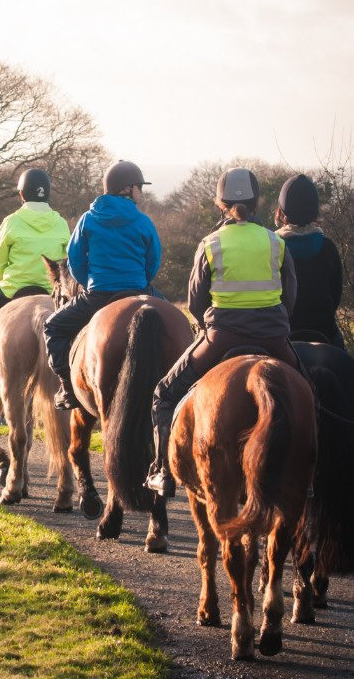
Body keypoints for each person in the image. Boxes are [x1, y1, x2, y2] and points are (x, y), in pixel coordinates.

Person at [145, 168, 300, 497]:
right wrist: (273, 322)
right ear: (258, 202)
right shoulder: (276, 241)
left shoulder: (210, 244)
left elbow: (196, 303)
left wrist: (209, 326)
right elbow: (290, 297)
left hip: (222, 337)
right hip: (273, 336)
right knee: (311, 395)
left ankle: (162, 472)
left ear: (221, 204)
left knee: (164, 395)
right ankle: (311, 478)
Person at [43, 160, 163, 412]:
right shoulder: (143, 221)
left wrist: (89, 283)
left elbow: (74, 259)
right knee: (180, 326)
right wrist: (142, 281)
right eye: (139, 186)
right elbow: (154, 260)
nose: (141, 191)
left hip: (99, 294)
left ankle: (67, 387)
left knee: (53, 327)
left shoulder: (88, 220)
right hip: (139, 290)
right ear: (127, 189)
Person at [0, 169, 71, 387]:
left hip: (14, 288)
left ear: (22, 194)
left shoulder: (11, 221)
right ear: (47, 193)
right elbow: (68, 260)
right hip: (51, 290)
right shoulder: (60, 223)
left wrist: (1, 280)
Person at [275, 174, 346, 349]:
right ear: (314, 211)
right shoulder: (328, 247)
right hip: (325, 334)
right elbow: (335, 296)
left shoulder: (272, 247)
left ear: (282, 211)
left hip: (283, 336)